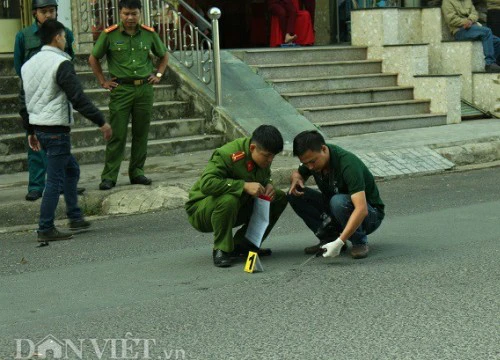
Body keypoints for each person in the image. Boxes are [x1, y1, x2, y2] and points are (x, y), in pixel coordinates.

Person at [20, 19, 112, 242]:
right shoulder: (60, 63)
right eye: (63, 36)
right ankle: (45, 228)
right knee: (54, 180)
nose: (65, 40)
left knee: (71, 170)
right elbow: (77, 98)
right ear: (57, 37)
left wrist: (30, 131)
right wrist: (101, 121)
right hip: (56, 131)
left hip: (41, 129)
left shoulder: (28, 65)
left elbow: (23, 101)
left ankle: (75, 216)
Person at [88, 0, 169, 191]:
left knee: (141, 133)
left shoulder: (149, 34)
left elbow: (163, 55)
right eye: (126, 14)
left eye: (133, 13)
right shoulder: (110, 35)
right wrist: (102, 81)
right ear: (120, 14)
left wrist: (158, 74)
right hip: (121, 89)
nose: (130, 18)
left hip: (144, 89)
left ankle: (137, 172)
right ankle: (109, 177)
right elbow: (93, 57)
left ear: (140, 13)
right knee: (117, 134)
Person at [185, 125, 288, 268]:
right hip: (202, 210)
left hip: (236, 206)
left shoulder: (262, 156)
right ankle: (222, 249)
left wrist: (269, 184)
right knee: (229, 199)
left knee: (279, 197)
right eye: (267, 155)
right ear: (252, 148)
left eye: (273, 156)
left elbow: (264, 176)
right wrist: (243, 186)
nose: (270, 160)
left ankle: (245, 244)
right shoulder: (227, 154)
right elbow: (207, 184)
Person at [13, 0, 78, 202]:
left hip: (56, 92)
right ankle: (36, 185)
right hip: (34, 93)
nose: (48, 15)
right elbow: (18, 66)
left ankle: (61, 184)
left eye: (52, 11)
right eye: (44, 11)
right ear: (34, 14)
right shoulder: (23, 36)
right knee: (35, 141)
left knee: (60, 142)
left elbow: (69, 59)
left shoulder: (65, 33)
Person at [287, 130, 384, 259]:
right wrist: (295, 178)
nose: (309, 167)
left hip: (370, 215)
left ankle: (359, 241)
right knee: (294, 193)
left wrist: (340, 241)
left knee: (338, 202)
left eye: (312, 162)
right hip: (337, 208)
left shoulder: (348, 164)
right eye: (305, 163)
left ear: (323, 149)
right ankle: (329, 239)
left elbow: (361, 209)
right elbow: (297, 173)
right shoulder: (313, 160)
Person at [442, 0, 500, 73]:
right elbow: (451, 19)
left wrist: (470, 20)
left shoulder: (468, 1)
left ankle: (493, 64)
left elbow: (474, 13)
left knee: (497, 41)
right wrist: (465, 22)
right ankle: (489, 63)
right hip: (459, 30)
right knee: (487, 31)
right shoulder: (447, 2)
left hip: (472, 27)